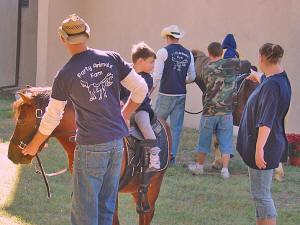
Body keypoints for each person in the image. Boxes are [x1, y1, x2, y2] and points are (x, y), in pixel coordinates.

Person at [21, 14, 148, 225]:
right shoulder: (112, 58)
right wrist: (124, 115)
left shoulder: (65, 74)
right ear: (87, 34)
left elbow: (52, 118)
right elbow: (141, 88)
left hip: (91, 147)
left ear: (62, 39)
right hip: (118, 143)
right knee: (106, 208)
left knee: (83, 214)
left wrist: (34, 145)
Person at [237, 43, 291, 225]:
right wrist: (258, 76)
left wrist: (259, 149)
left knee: (262, 196)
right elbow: (268, 83)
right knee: (260, 195)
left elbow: (266, 121)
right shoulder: (278, 79)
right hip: (269, 144)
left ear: (260, 58)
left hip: (265, 146)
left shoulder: (271, 87)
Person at [188, 42, 240, 179]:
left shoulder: (205, 69)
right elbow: (243, 64)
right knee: (226, 141)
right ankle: (225, 170)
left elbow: (198, 80)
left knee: (203, 140)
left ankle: (200, 167)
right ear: (221, 53)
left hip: (210, 111)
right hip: (226, 112)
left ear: (209, 54)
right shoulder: (231, 66)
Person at [152, 25, 196, 166]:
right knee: (176, 129)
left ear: (168, 37)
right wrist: (182, 81)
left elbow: (156, 76)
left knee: (157, 126)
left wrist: (147, 92)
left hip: (166, 94)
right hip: (181, 94)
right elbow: (192, 76)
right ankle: (171, 159)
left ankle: (156, 157)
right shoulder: (188, 53)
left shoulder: (162, 52)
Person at [120, 41, 160, 170]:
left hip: (140, 109)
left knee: (144, 125)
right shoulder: (126, 73)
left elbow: (140, 95)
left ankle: (154, 154)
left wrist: (124, 100)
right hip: (123, 108)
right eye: (151, 62)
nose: (153, 66)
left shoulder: (148, 78)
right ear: (140, 61)